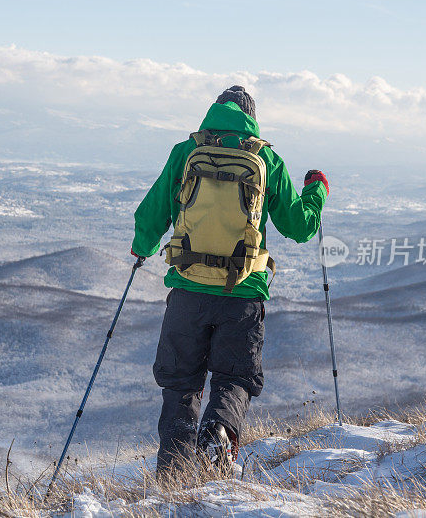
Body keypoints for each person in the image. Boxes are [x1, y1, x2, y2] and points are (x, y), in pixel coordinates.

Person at [131, 86, 328, 478]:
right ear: (251, 116)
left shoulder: (185, 153)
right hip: (242, 295)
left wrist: (142, 247)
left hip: (187, 291)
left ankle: (172, 475)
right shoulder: (264, 157)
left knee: (180, 385)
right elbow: (300, 226)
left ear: (215, 111)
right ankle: (218, 436)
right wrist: (317, 189)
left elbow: (151, 212)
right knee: (233, 379)